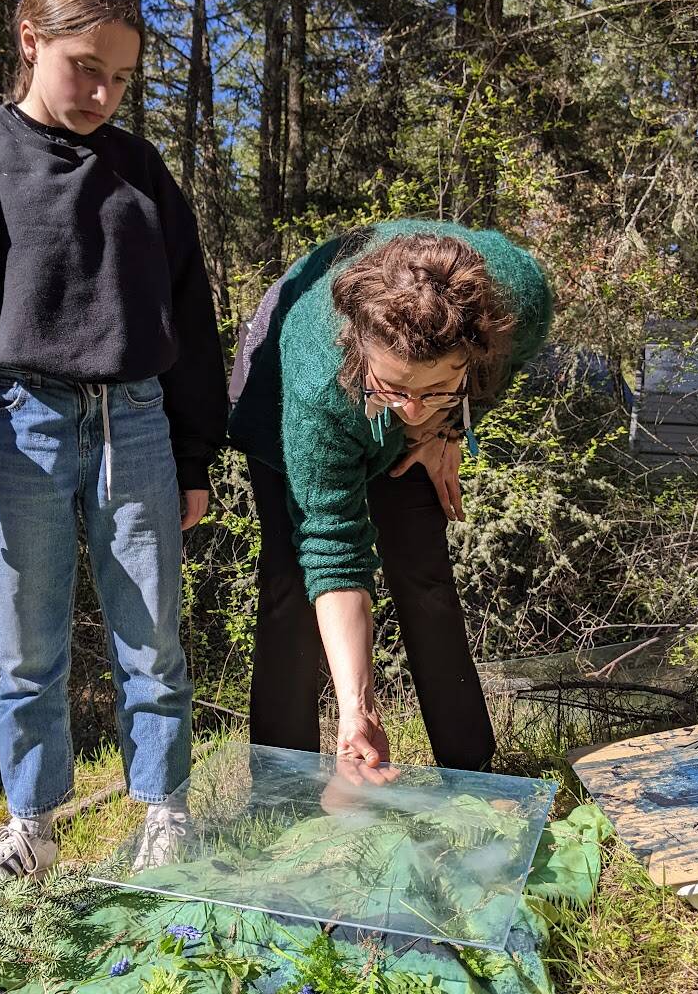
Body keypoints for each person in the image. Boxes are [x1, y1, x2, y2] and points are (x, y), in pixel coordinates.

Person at [0, 0, 227, 904]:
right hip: (15, 423)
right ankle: (32, 832)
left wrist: (194, 452)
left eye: (121, 77)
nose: (103, 92)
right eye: (87, 67)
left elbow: (189, 321)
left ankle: (166, 815)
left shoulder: (142, 171)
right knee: (27, 648)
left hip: (139, 428)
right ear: (31, 41)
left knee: (153, 638)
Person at [228, 221, 552, 778]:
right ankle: (285, 780)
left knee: (423, 569)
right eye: (396, 390)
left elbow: (502, 367)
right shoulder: (319, 382)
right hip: (281, 396)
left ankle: (470, 766)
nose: (411, 409)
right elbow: (333, 544)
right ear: (361, 352)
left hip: (400, 384)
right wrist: (358, 707)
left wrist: (450, 425)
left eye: (431, 388)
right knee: (291, 583)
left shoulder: (516, 296)